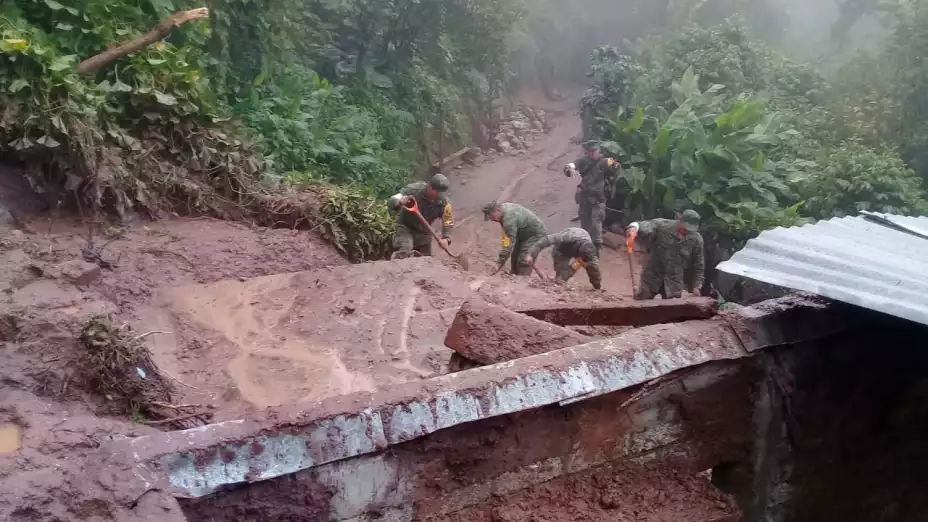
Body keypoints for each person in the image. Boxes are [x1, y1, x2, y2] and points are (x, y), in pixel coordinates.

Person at [626, 209, 705, 300]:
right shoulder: (663, 225)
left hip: (674, 283)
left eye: (689, 230)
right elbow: (645, 225)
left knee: (672, 311)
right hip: (652, 277)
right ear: (680, 220)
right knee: (641, 305)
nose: (686, 231)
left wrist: (697, 286)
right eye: (685, 228)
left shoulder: (696, 240)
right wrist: (634, 228)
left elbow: (699, 265)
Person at [564, 141, 621, 255]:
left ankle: (596, 251)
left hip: (598, 200)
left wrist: (614, 166)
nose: (592, 153)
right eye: (590, 151)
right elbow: (571, 166)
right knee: (584, 223)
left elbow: (616, 166)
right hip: (585, 198)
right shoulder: (584, 161)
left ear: (599, 150)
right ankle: (584, 247)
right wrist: (569, 169)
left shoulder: (605, 161)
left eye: (594, 151)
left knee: (596, 225)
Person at [387, 173, 454, 259]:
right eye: (436, 192)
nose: (438, 195)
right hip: (406, 226)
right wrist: (398, 201)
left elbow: (448, 221)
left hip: (424, 232)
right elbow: (392, 199)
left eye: (441, 193)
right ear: (430, 187)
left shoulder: (445, 203)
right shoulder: (414, 189)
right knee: (405, 250)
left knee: (425, 260)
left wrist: (446, 238)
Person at [523, 227, 602, 290]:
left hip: (580, 253)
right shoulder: (567, 237)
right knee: (560, 278)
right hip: (561, 251)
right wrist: (530, 254)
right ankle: (558, 283)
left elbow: (594, 268)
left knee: (571, 272)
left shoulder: (590, 251)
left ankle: (596, 286)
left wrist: (597, 285)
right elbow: (545, 240)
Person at [483, 201, 547, 276]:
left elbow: (508, 244)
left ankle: (522, 279)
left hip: (536, 234)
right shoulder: (503, 209)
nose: (491, 219)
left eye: (491, 216)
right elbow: (507, 238)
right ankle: (514, 275)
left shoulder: (509, 219)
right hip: (523, 233)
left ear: (497, 210)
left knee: (523, 258)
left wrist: (498, 264)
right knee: (515, 256)